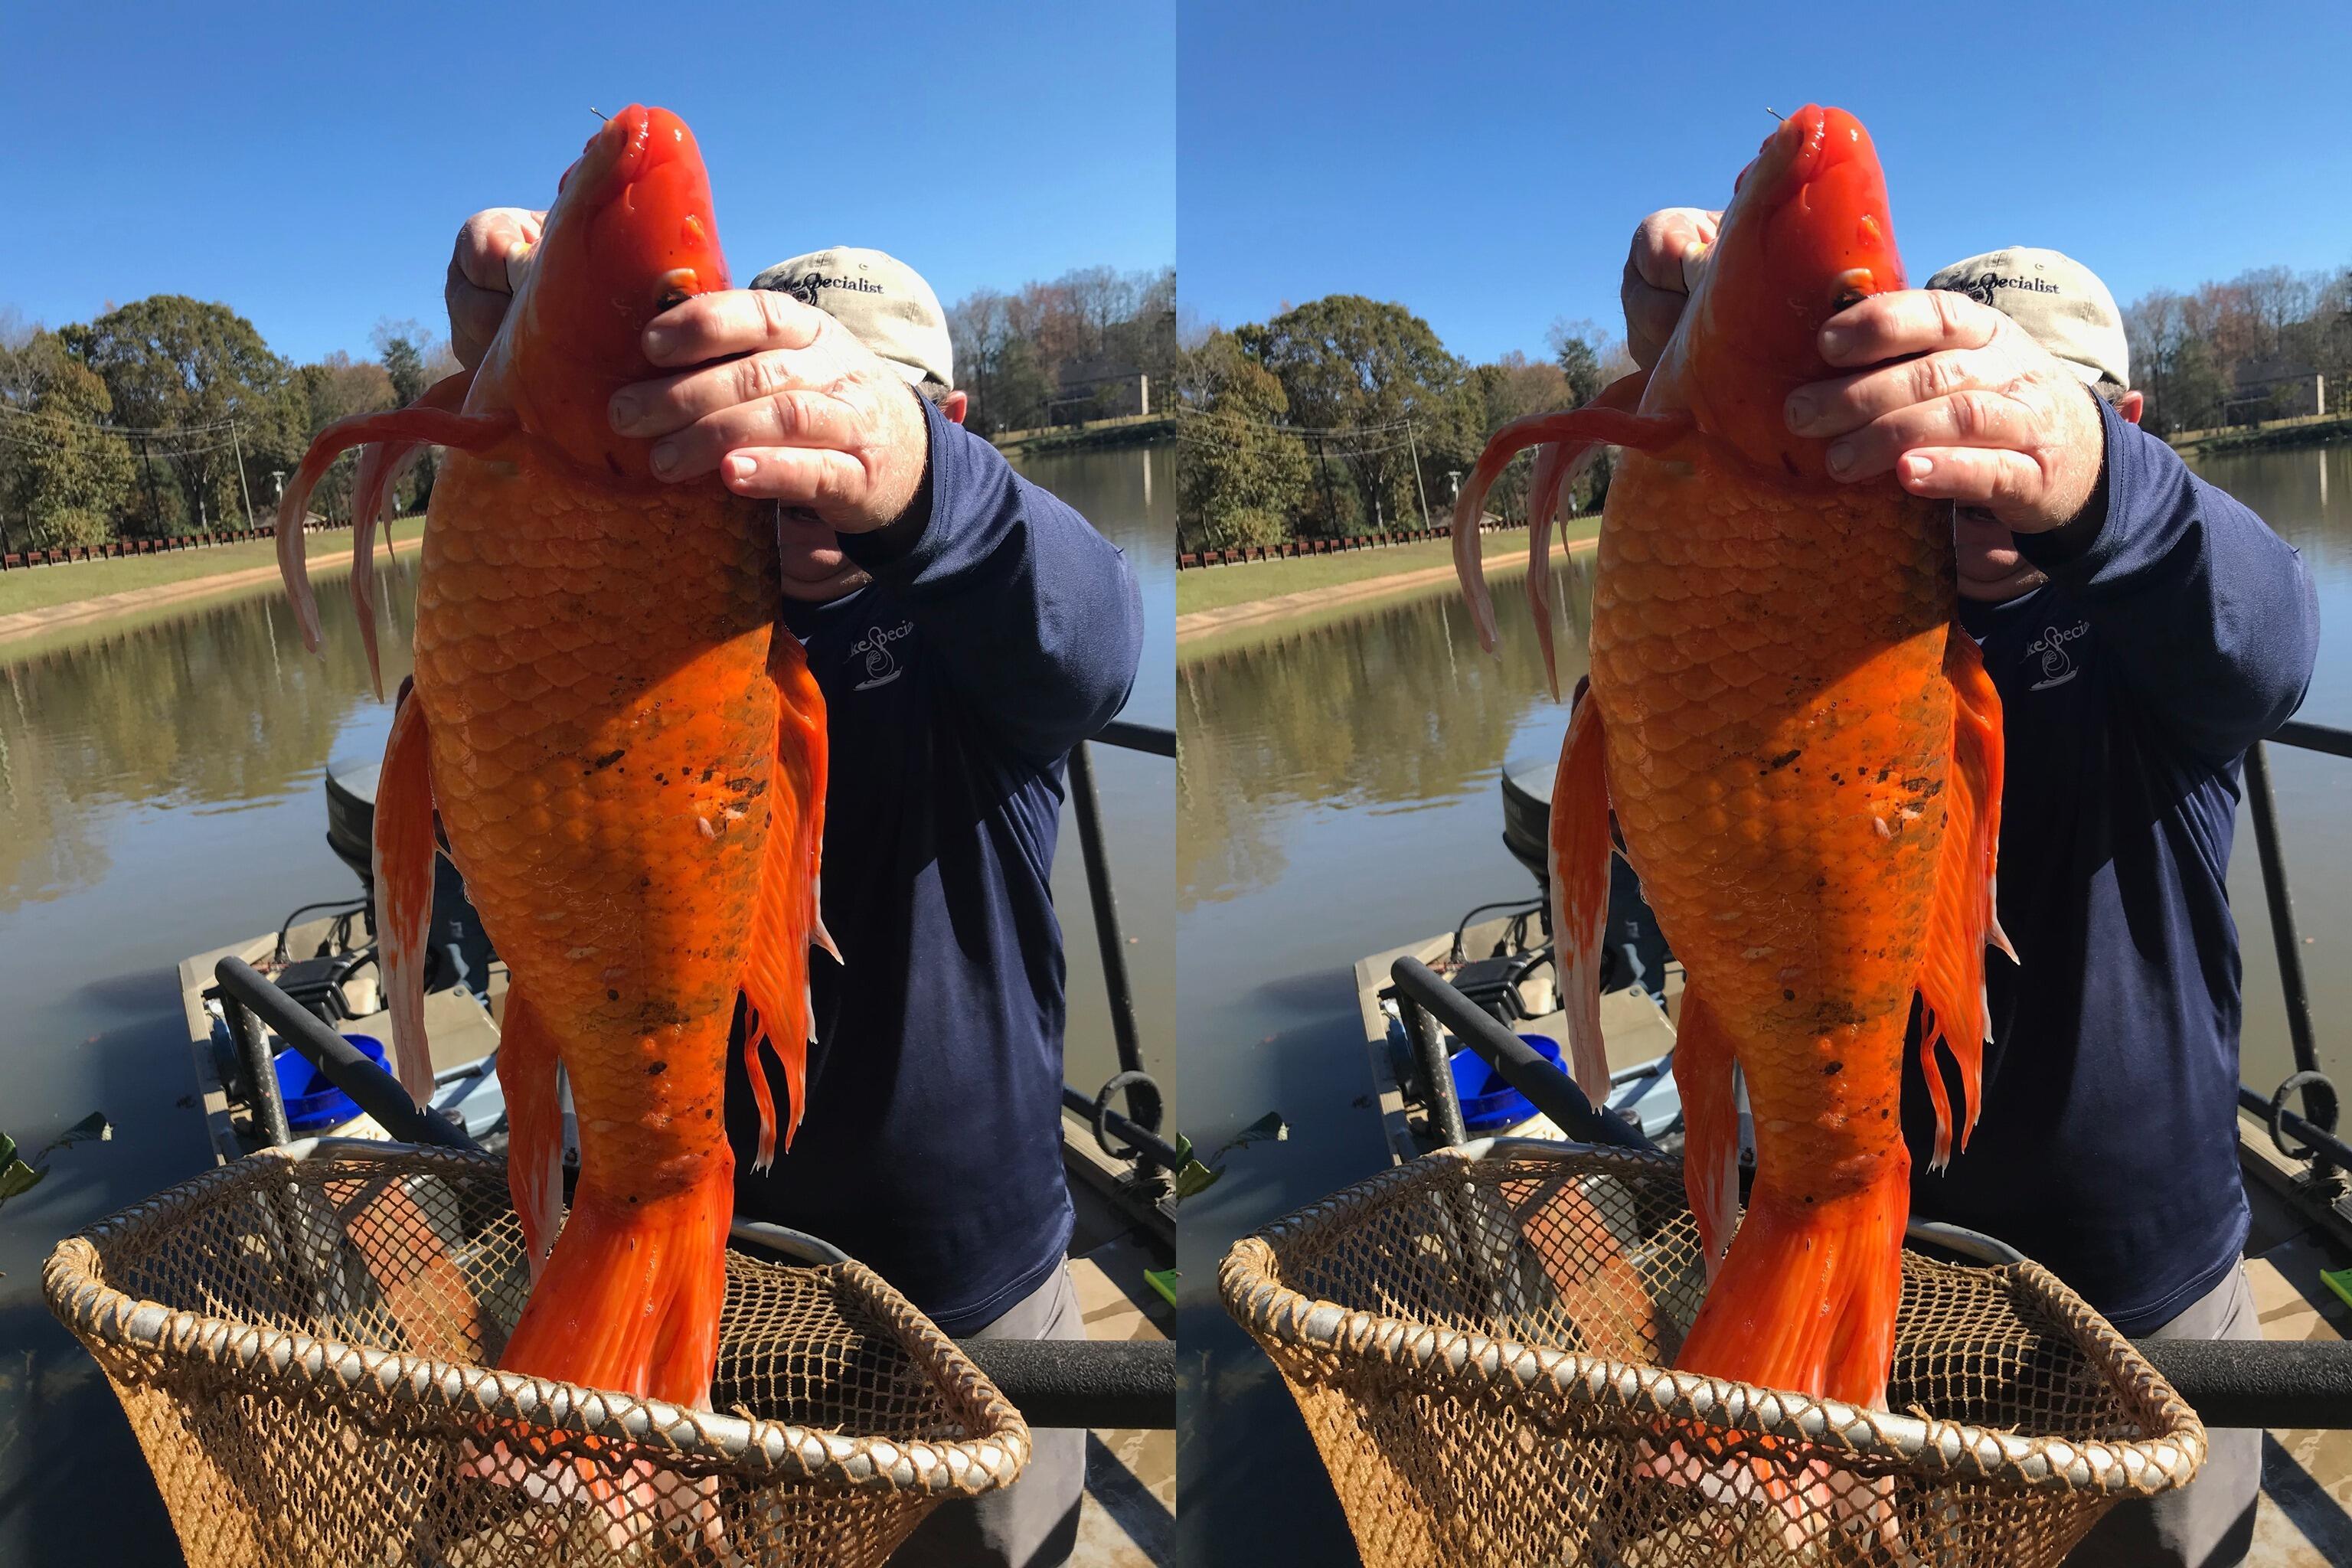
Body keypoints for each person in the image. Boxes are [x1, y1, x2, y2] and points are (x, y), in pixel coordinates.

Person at [1622, 213, 2320, 1568]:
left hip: (2137, 1291)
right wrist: (1693, 411)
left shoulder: (2159, 623)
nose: (1976, 463)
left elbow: (2274, 636)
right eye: (1942, 402)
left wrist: (2093, 485)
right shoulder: (1816, 588)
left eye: (2023, 399)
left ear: (2120, 417)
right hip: (1869, 1276)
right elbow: (1664, 754)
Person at [447, 214, 1145, 1568]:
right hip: (700, 1276)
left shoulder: (986, 620)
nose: (802, 457)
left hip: (964, 1285)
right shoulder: (636, 591)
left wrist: (919, 486)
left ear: (944, 417)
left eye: (848, 397)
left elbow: (1098, 637)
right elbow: (487, 745)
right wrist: (522, 417)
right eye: (769, 399)